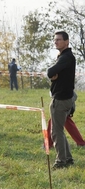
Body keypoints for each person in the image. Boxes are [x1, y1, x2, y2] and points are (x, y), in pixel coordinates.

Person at [47, 31, 76, 169]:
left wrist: (53, 75)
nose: (56, 42)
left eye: (59, 39)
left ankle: (61, 162)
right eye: (55, 40)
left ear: (67, 41)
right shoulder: (65, 56)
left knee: (56, 132)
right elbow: (53, 73)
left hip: (61, 99)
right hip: (64, 97)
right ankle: (68, 158)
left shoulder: (66, 57)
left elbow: (50, 72)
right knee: (59, 130)